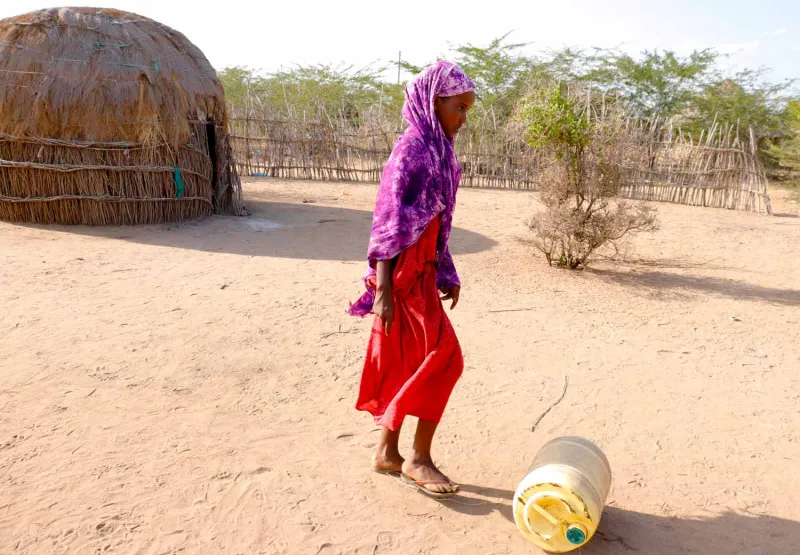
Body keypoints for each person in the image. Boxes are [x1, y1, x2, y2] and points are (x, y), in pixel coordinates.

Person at [348, 61, 476, 499]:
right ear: (432, 101)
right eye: (458, 107)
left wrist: (446, 269)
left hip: (421, 274)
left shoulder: (439, 150)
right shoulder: (412, 150)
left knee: (410, 362)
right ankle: (418, 459)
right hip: (401, 279)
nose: (463, 118)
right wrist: (383, 291)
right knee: (446, 358)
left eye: (467, 110)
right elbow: (388, 220)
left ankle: (387, 451)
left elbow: (438, 220)